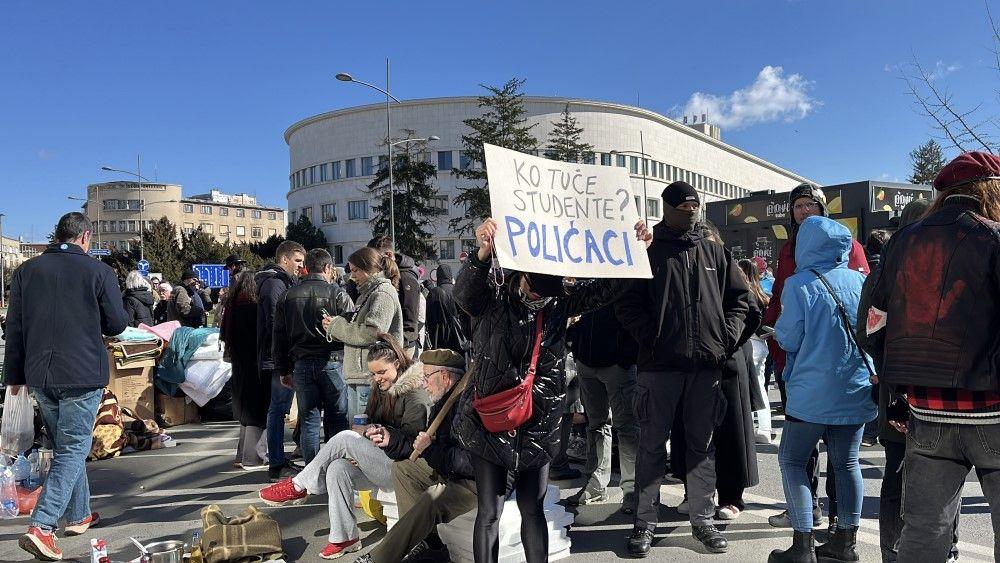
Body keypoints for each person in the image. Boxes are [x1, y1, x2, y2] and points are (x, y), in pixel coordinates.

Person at [452, 216, 647, 563]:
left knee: (533, 509)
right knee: (489, 513)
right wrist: (482, 253)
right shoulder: (492, 297)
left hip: (538, 420)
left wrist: (636, 251)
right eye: (532, 290)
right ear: (521, 276)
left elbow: (607, 290)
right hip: (490, 420)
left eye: (546, 293)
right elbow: (464, 293)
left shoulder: (561, 302)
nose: (537, 298)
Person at [867, 152, 1000, 562]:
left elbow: (874, 322)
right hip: (992, 410)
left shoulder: (903, 241)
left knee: (924, 533)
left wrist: (897, 386)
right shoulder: (995, 237)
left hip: (926, 410)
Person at [615, 182, 750, 556]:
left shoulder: (713, 251)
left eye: (695, 205)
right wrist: (652, 337)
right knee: (651, 447)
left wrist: (724, 338)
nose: (691, 210)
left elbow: (741, 301)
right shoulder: (647, 250)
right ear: (668, 207)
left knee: (701, 447)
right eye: (683, 205)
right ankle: (644, 524)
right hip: (658, 369)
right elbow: (625, 303)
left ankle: (703, 520)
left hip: (705, 368)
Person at [4, 212, 129, 561]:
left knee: (65, 448)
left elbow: (13, 328)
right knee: (74, 449)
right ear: (86, 237)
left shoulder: (26, 271)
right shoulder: (99, 271)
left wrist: (13, 378)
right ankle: (42, 526)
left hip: (40, 375)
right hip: (81, 374)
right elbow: (117, 324)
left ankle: (79, 514)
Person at [854, 197, 964, 563]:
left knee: (897, 478)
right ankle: (947, 548)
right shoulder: (959, 267)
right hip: (951, 394)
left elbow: (867, 334)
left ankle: (893, 553)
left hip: (898, 391)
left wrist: (891, 357)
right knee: (948, 481)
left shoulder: (884, 273)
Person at [258, 334, 431, 560]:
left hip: (404, 469)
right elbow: (373, 425)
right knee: (337, 468)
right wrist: (366, 438)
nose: (377, 378)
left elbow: (410, 445)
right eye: (374, 373)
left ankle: (299, 484)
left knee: (345, 438)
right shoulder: (380, 388)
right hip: (383, 460)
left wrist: (370, 432)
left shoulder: (415, 393)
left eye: (382, 372)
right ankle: (345, 537)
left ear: (397, 364)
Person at [763, 183, 870, 531]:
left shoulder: (799, 281)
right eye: (798, 205)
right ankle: (846, 540)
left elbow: (791, 338)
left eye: (810, 205)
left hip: (811, 384)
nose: (804, 211)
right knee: (848, 464)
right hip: (855, 383)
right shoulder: (859, 280)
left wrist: (777, 332)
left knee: (792, 460)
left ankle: (803, 539)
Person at [358, 349, 473, 563]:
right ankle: (428, 545)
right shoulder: (441, 401)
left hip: (472, 481)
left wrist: (430, 449)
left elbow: (470, 463)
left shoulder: (466, 408)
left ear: (445, 377)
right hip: (449, 469)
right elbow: (419, 447)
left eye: (427, 377)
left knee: (431, 499)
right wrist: (391, 439)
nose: (423, 384)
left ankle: (378, 559)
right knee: (404, 469)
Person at [272, 248, 354, 464]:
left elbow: (279, 336)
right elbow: (352, 328)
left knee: (309, 419)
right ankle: (337, 468)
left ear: (306, 267)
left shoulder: (288, 295)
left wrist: (283, 369)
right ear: (327, 268)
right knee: (337, 417)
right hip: (333, 361)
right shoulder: (337, 293)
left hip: (302, 363)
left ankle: (313, 473)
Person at [566, 303, 639, 513]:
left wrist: (626, 357)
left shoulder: (625, 273)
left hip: (616, 362)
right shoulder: (590, 275)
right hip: (589, 361)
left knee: (626, 428)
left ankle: (632, 490)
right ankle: (596, 485)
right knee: (596, 425)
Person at [325, 246, 404, 422]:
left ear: (369, 269)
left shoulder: (382, 293)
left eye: (355, 271)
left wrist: (337, 326)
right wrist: (337, 326)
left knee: (366, 431)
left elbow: (372, 333)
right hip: (362, 374)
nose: (352, 277)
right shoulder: (370, 293)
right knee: (360, 430)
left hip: (369, 375)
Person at [256, 240, 306, 481]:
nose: (301, 266)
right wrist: (285, 358)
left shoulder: (281, 282)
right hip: (278, 357)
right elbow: (277, 323)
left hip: (280, 355)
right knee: (278, 409)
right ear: (284, 259)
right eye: (297, 261)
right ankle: (276, 463)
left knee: (279, 409)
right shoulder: (275, 284)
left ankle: (278, 459)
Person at [219, 271, 268, 468]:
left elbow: (224, 335)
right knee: (256, 409)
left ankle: (241, 455)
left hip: (238, 363)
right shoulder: (254, 306)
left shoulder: (232, 305)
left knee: (245, 412)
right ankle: (252, 457)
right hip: (254, 362)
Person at [369, 236, 423, 357]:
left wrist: (399, 344)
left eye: (375, 258)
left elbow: (411, 319)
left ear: (388, 254)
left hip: (403, 347)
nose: (373, 263)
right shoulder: (385, 275)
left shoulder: (406, 277)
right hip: (388, 344)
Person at [739, 259, 774, 444]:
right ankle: (765, 429)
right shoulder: (762, 294)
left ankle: (749, 428)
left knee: (746, 388)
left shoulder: (744, 293)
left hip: (748, 342)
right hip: (762, 343)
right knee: (760, 387)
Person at [424, 263, 466, 354]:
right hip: (456, 333)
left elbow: (427, 315)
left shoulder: (434, 292)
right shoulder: (457, 290)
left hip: (437, 334)